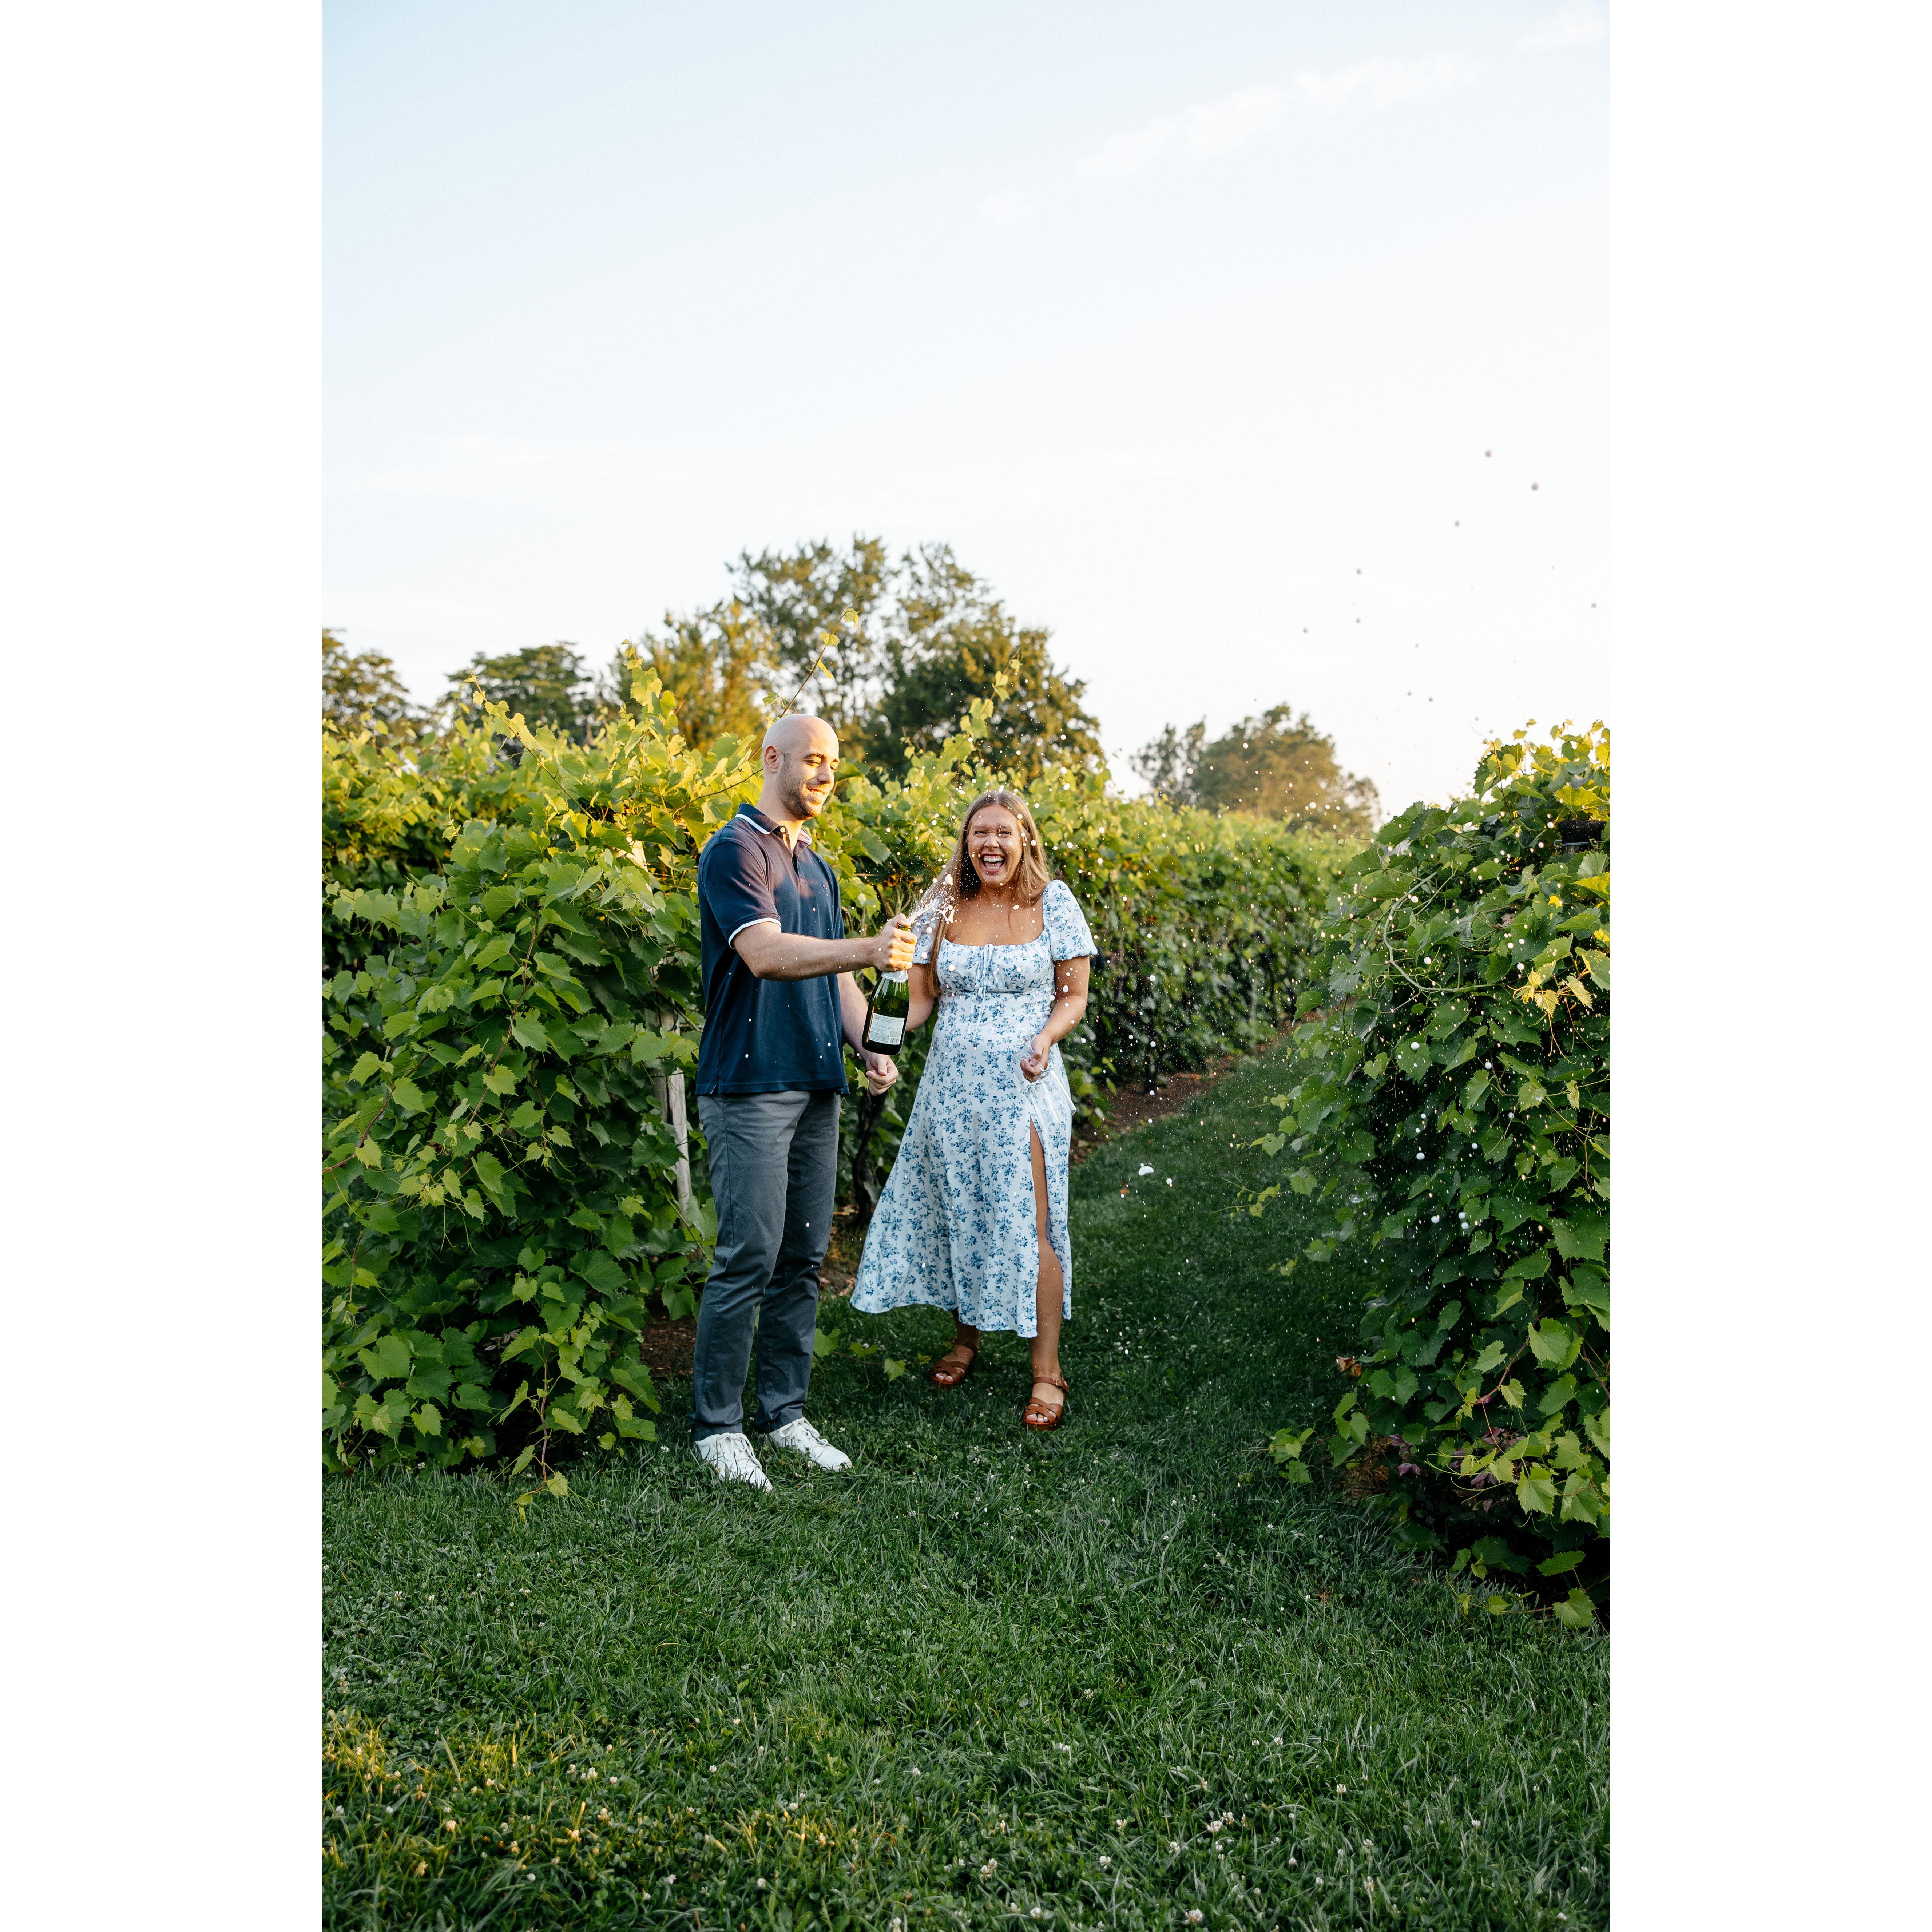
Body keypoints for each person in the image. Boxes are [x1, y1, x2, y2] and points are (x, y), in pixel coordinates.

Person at [690, 713, 915, 1489]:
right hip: (749, 1084)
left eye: (834, 765)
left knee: (803, 1258)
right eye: (813, 760)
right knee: (748, 1255)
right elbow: (763, 952)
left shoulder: (818, 866)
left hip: (819, 1083)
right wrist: (869, 947)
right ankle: (717, 1427)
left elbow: (839, 977)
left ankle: (783, 1413)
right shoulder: (734, 849)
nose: (825, 775)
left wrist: (868, 1044)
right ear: (771, 759)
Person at [850, 789, 1095, 1430]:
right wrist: (879, 1045)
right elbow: (919, 1000)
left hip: (1024, 1085)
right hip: (951, 1088)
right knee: (962, 1209)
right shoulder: (942, 906)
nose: (990, 843)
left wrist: (1046, 1037)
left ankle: (1046, 1371)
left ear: (1024, 840)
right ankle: (966, 1338)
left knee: (1032, 1221)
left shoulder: (1053, 901)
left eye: (1003, 832)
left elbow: (1073, 996)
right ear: (966, 843)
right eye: (979, 832)